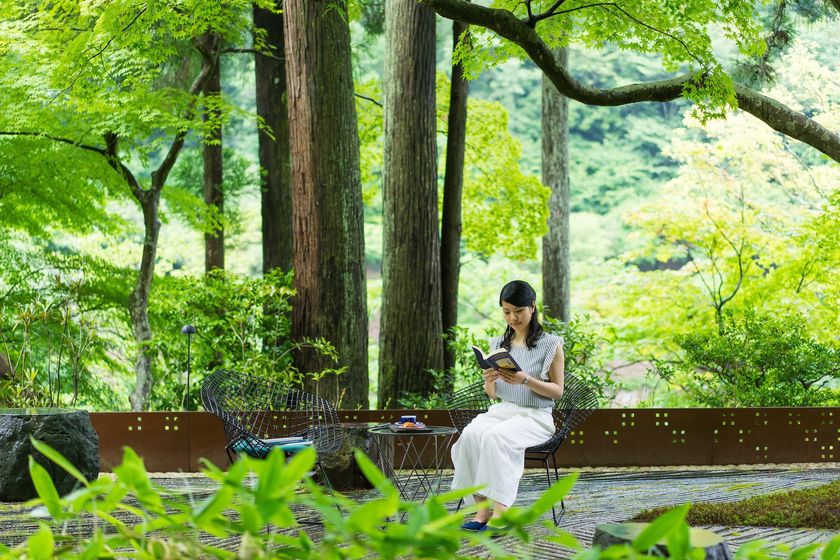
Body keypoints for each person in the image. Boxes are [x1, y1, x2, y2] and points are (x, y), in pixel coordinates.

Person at [451, 280, 565, 532]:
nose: (512, 318)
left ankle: (501, 512)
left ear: (532, 307)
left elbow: (557, 392)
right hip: (503, 410)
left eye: (518, 311)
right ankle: (482, 510)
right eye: (506, 312)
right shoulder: (498, 344)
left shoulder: (551, 345)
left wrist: (525, 379)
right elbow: (492, 396)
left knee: (495, 438)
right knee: (470, 435)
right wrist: (489, 381)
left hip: (536, 416)